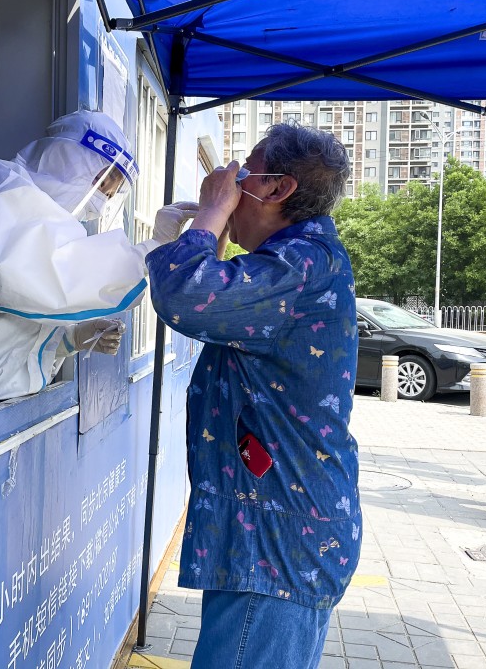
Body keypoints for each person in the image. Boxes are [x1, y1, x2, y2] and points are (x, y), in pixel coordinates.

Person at [145, 123, 361, 669]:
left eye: (240, 175)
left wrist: (210, 216)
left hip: (277, 539)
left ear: (275, 189)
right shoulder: (296, 260)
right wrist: (203, 236)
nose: (228, 184)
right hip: (273, 530)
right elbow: (215, 304)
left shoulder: (301, 264)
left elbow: (189, 298)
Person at [0, 110, 196, 402]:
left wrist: (67, 341)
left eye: (109, 195)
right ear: (68, 158)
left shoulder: (43, 219)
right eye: (100, 184)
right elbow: (48, 277)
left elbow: (13, 333)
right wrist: (154, 247)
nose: (97, 206)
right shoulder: (3, 190)